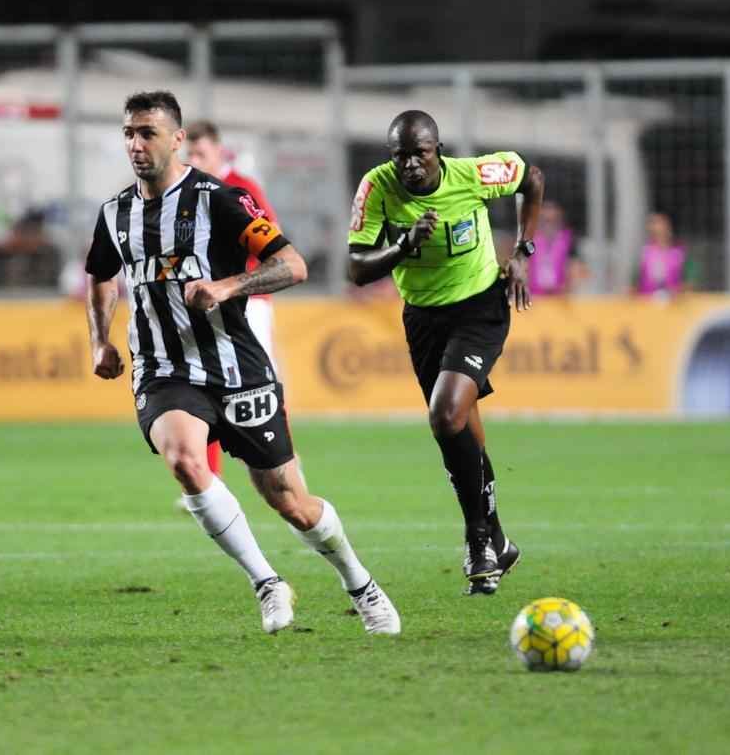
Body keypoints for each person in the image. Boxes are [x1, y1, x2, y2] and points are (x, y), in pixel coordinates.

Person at [86, 90, 399, 635]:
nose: (136, 145)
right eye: (129, 134)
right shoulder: (115, 213)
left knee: (290, 501)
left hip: (237, 367)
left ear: (178, 139)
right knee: (185, 461)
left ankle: (360, 583)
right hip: (163, 369)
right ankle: (267, 582)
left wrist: (229, 285)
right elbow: (100, 274)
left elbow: (292, 265)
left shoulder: (221, 200)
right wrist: (101, 340)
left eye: (147, 133)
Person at [347, 110, 544, 595]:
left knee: (444, 415)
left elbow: (532, 178)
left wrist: (522, 252)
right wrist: (402, 247)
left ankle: (477, 540)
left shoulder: (473, 175)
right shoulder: (377, 188)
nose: (411, 165)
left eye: (420, 153)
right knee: (459, 426)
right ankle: (499, 540)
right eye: (401, 156)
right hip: (423, 317)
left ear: (437, 150)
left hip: (480, 306)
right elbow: (357, 268)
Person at [185, 121, 279, 478]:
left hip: (248, 299)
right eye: (190, 154)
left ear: (219, 151)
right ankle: (209, 476)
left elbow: (273, 244)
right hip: (209, 302)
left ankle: (280, 460)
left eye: (200, 153)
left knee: (261, 381)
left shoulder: (242, 188)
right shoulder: (189, 190)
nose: (194, 159)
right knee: (204, 382)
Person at [528, 200, 588, 296]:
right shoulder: (529, 239)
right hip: (535, 298)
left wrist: (570, 285)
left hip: (560, 297)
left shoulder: (568, 239)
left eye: (553, 220)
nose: (548, 226)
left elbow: (578, 267)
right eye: (545, 220)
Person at [634, 212, 695, 298]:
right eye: (653, 224)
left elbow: (691, 279)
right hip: (646, 303)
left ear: (669, 227)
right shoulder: (644, 252)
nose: (656, 228)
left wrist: (678, 291)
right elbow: (634, 281)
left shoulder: (680, 252)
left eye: (660, 224)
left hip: (673, 303)